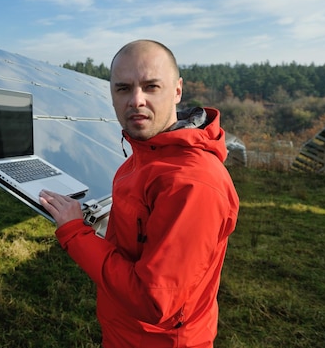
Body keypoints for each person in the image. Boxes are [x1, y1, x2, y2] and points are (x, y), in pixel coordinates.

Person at [39, 39, 239, 347]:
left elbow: (153, 301)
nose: (136, 100)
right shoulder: (147, 155)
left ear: (177, 90)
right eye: (123, 89)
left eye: (151, 87)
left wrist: (75, 233)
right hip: (127, 334)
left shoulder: (192, 183)